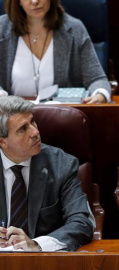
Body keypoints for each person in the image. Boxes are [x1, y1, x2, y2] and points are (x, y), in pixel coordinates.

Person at [0, 96, 95, 251]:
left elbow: (82, 221)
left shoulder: (62, 164)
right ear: (2, 142)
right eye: (23, 129)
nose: (35, 131)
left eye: (32, 121)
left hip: (47, 261)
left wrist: (36, 244)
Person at [0, 0, 111, 104]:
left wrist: (100, 94)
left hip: (60, 117)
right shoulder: (2, 28)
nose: (35, 1)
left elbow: (97, 79)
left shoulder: (74, 29)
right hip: (13, 118)